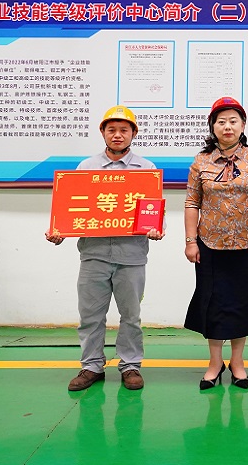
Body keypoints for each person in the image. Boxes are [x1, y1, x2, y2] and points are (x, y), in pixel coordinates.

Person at [45, 105, 164, 392]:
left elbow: (151, 211)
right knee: (90, 316)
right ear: (103, 132)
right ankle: (92, 366)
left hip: (131, 255)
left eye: (124, 130)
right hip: (94, 255)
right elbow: (72, 210)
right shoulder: (86, 168)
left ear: (133, 133)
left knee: (131, 316)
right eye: (112, 129)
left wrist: (156, 229)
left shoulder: (146, 169)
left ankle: (130, 365)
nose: (118, 135)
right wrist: (60, 232)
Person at [184, 96, 248, 390]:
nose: (227, 127)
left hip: (247, 245)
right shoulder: (201, 161)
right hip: (209, 245)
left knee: (241, 303)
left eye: (233, 121)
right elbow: (192, 202)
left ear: (243, 125)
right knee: (211, 304)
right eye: (221, 121)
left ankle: (237, 362)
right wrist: (191, 241)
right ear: (213, 126)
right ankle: (214, 363)